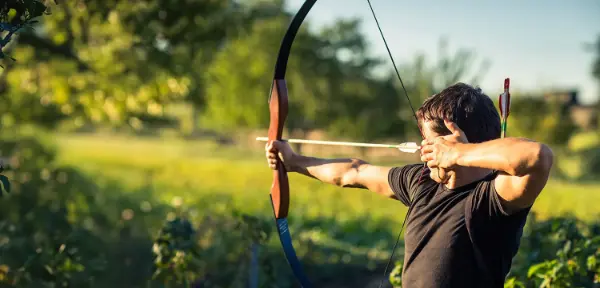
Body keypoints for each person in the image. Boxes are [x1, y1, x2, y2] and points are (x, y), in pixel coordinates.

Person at [264, 82, 554, 287]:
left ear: (451, 140)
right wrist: (293, 162)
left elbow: (538, 156)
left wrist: (459, 154)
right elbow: (354, 172)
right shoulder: (422, 181)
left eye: (428, 141)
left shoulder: (492, 198)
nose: (422, 149)